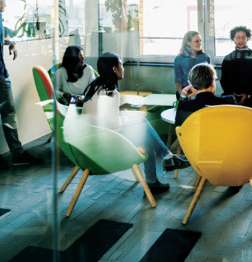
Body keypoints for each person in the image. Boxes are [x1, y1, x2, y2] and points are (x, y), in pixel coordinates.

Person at [80, 52, 190, 194]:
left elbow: (102, 117)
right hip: (104, 143)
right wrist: (128, 118)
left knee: (145, 136)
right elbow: (113, 124)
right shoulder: (111, 92)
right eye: (121, 65)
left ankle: (158, 173)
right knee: (142, 124)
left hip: (90, 140)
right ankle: (167, 158)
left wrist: (124, 114)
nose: (123, 68)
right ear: (114, 69)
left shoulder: (95, 87)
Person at [0, 0, 43, 170]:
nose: (5, 4)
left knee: (9, 113)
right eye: (3, 1)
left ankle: (17, 154)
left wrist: (10, 42)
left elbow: (2, 37)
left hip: (2, 74)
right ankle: (17, 154)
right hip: (1, 76)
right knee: (8, 114)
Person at [220, 26, 252, 111]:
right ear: (233, 39)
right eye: (238, 37)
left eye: (243, 37)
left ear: (247, 38)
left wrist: (246, 94)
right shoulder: (228, 58)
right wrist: (232, 94)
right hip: (232, 94)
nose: (241, 40)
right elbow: (223, 80)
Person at [174, 31, 211, 98]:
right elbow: (178, 80)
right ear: (188, 42)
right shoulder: (179, 58)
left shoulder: (206, 57)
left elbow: (209, 80)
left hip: (201, 94)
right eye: (197, 41)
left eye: (200, 41)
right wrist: (182, 95)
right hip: (186, 92)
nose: (200, 43)